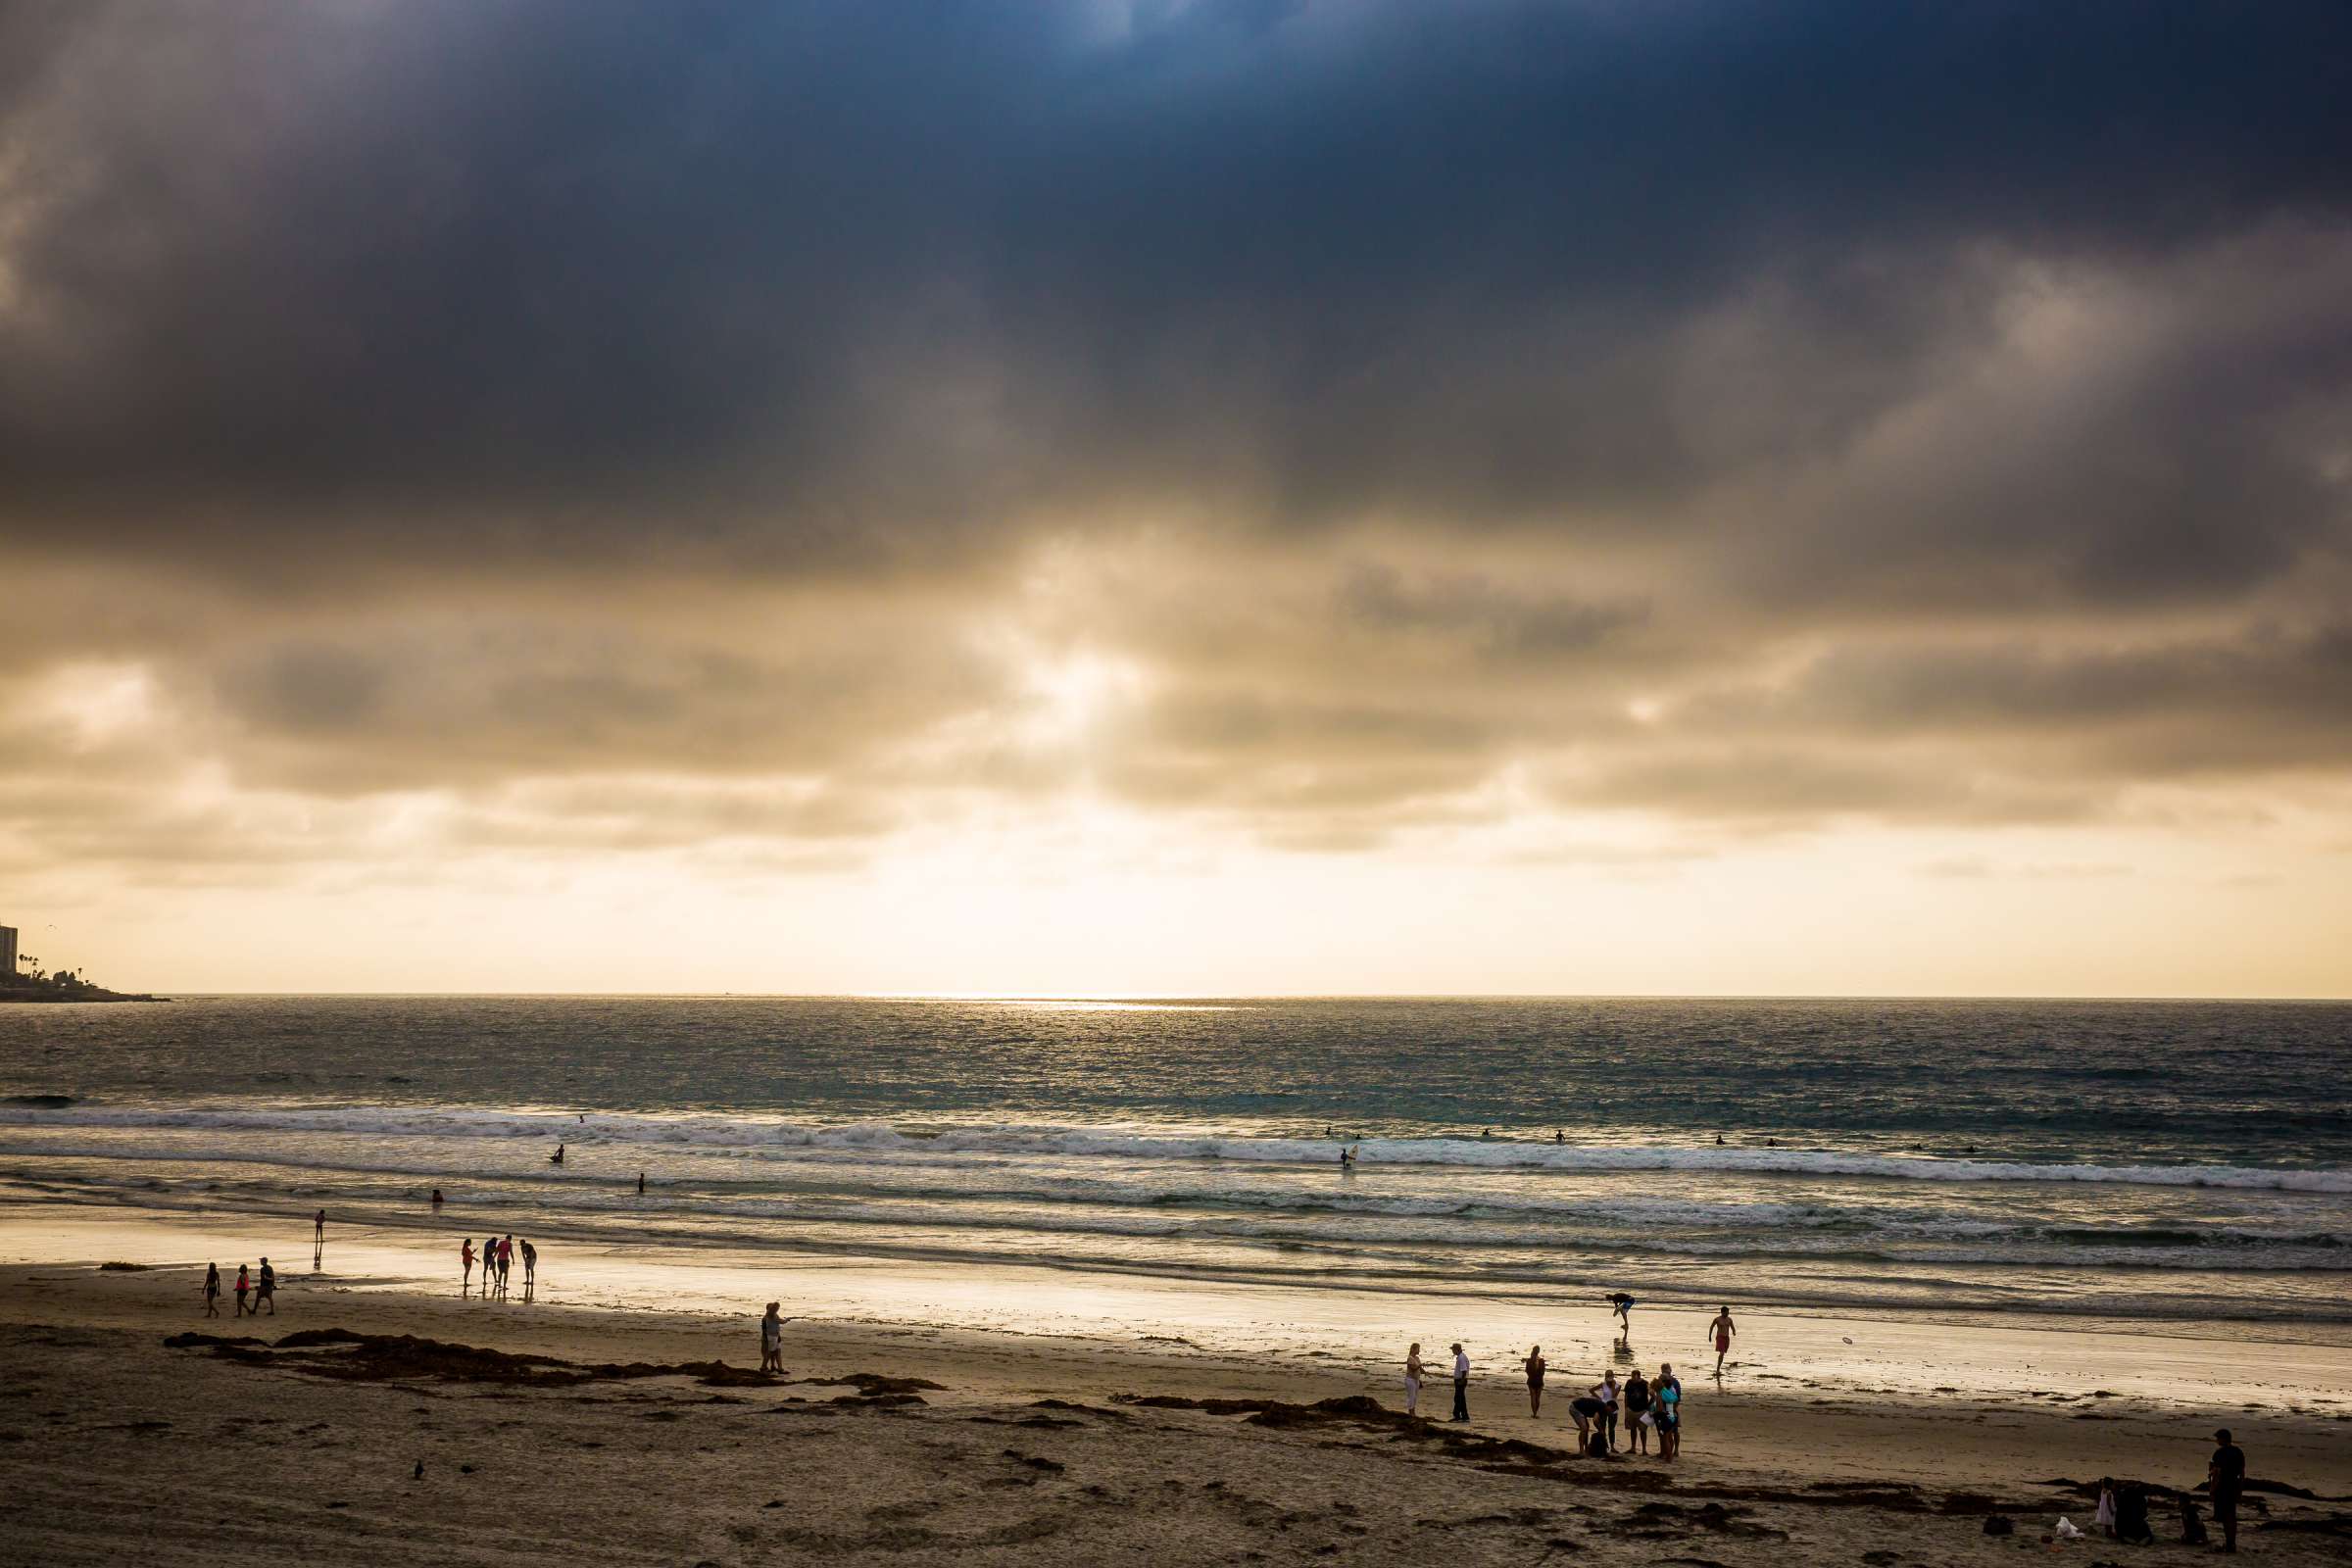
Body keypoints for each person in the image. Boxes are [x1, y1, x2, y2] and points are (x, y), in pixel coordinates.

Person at [2208, 1428, 2244, 1553]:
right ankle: (2231, 1543)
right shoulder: (2238, 1452)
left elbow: (2217, 1473)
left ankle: (2229, 1544)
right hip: (2233, 1485)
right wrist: (2240, 1489)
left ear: (2223, 1439)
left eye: (2218, 1438)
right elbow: (2241, 1473)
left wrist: (2212, 1489)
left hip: (2222, 1487)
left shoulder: (2219, 1453)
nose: (2216, 1440)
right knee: (2231, 1516)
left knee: (2225, 1517)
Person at [1655, 1363, 1682, 1460]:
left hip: (1669, 1412)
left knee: (1668, 1434)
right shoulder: (1668, 1388)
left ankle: (1670, 1453)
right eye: (1664, 1369)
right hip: (1670, 1412)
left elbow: (1675, 1400)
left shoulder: (1671, 1386)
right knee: (1667, 1434)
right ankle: (1666, 1452)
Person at [1622, 1367, 1652, 1453]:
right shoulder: (1629, 1382)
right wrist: (1626, 1407)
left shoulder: (1645, 1383)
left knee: (1643, 1430)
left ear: (1638, 1376)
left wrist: (1648, 1406)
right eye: (1632, 1377)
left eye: (1634, 1377)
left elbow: (1653, 1395)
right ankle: (1633, 1448)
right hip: (1630, 1409)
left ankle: (1644, 1449)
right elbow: (1626, 1395)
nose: (1633, 1379)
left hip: (1642, 1410)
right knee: (1632, 1429)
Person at [1592, 1370, 1621, 1450]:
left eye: (1610, 1375)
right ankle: (1603, 1445)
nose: (1609, 1377)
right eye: (1607, 1375)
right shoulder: (1603, 1384)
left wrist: (1613, 1385)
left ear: (1613, 1376)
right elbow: (1591, 1390)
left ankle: (1612, 1446)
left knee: (1611, 1428)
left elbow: (1613, 1395)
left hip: (1613, 1408)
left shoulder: (1618, 1386)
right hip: (1603, 1407)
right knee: (1602, 1427)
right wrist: (1599, 1398)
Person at [1706, 1305, 1737, 1374]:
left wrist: (1734, 1332)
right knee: (1722, 1353)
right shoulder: (1717, 1319)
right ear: (1722, 1312)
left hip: (1726, 1338)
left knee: (1723, 1353)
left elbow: (1732, 1327)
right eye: (1726, 1312)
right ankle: (1718, 1369)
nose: (1727, 1314)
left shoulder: (1729, 1319)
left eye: (1728, 1312)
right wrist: (1709, 1336)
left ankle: (1718, 1367)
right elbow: (1711, 1327)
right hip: (1720, 1337)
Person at [760, 1301, 784, 1374]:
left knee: (777, 1352)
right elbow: (764, 1331)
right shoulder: (766, 1318)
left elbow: (777, 1326)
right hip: (768, 1337)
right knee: (769, 1352)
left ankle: (777, 1367)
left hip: (776, 1336)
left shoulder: (775, 1315)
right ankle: (765, 1367)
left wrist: (778, 1336)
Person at [1522, 1346, 1546, 1416]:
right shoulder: (1541, 1361)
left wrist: (1531, 1376)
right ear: (1538, 1351)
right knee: (1537, 1398)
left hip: (1531, 1380)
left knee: (1532, 1397)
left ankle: (1534, 1413)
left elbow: (1527, 1370)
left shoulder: (1529, 1360)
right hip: (1539, 1381)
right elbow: (1543, 1372)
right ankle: (1536, 1412)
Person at [1404, 1343, 1427, 1417]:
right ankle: (1410, 1411)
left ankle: (1413, 1411)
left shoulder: (1417, 1358)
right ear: (1413, 1349)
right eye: (1418, 1349)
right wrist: (1420, 1366)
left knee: (1415, 1396)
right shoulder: (1410, 1358)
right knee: (1411, 1396)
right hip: (1410, 1379)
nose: (1419, 1350)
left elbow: (1420, 1369)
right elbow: (1413, 1369)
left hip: (1416, 1380)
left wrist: (1424, 1371)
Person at [1450, 1343, 1470, 1422]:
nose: (1452, 1351)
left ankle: (1457, 1415)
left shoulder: (1461, 1358)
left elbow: (1464, 1370)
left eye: (1453, 1349)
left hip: (1460, 1380)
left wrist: (1462, 1380)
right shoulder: (1461, 1357)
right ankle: (1464, 1416)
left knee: (1458, 1398)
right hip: (1461, 1379)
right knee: (1461, 1398)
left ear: (1456, 1349)